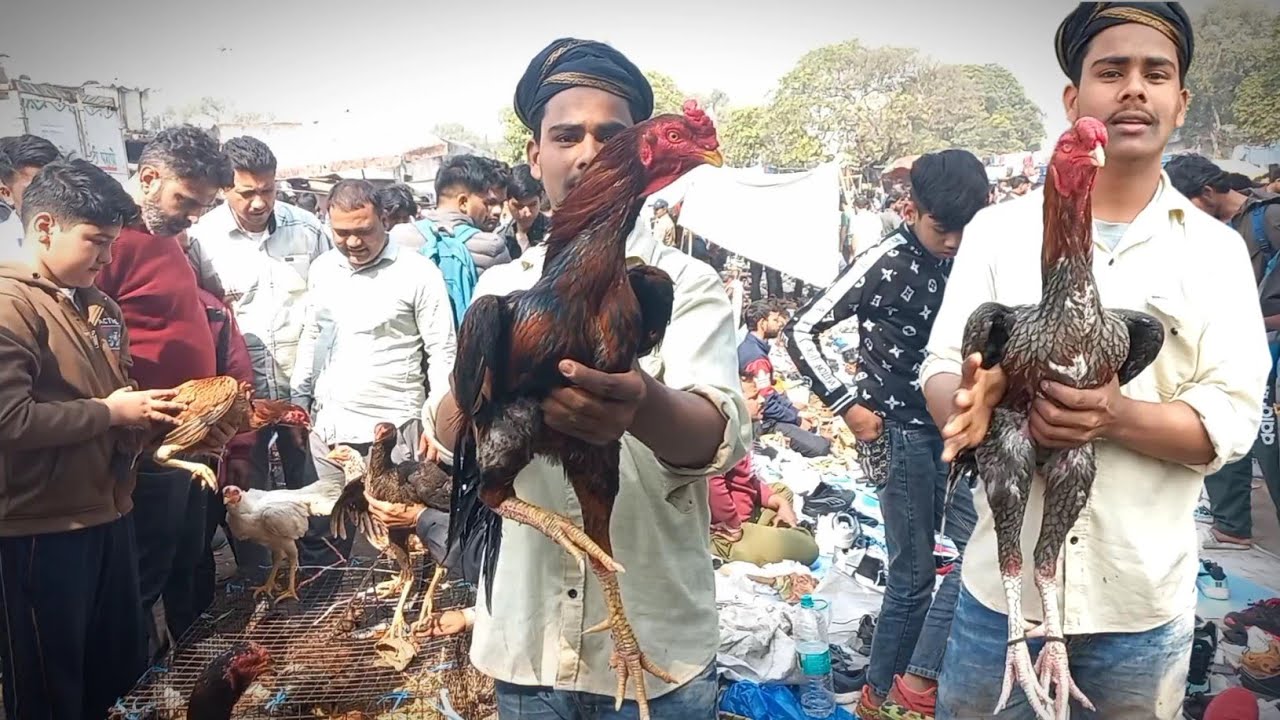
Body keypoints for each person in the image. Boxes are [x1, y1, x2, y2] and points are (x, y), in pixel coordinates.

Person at [924, 5, 1269, 717]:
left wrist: (1112, 415)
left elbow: (1230, 422)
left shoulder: (1216, 252)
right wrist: (976, 399)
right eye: (1111, 72)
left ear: (1181, 102)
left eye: (1156, 74)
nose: (1134, 89)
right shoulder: (996, 232)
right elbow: (939, 370)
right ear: (1074, 99)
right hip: (1001, 604)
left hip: (1137, 608)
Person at [426, 37, 748, 720]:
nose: (587, 151)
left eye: (610, 135)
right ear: (534, 155)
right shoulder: (499, 287)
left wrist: (638, 404)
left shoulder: (679, 283)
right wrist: (490, 363)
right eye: (566, 134)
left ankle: (621, 632)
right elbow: (448, 431)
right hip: (528, 643)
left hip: (661, 643)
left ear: (635, 150)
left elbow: (716, 437)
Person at [785, 149, 989, 719]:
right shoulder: (884, 260)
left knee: (984, 551)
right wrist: (846, 405)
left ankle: (916, 677)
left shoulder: (973, 262)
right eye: (941, 228)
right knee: (914, 572)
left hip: (960, 435)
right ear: (911, 209)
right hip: (898, 434)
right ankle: (881, 693)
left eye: (963, 230)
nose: (952, 241)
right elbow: (802, 329)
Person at [0, 160, 186, 719]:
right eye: (96, 242)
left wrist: (154, 420)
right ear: (45, 228)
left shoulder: (101, 307)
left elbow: (120, 390)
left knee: (116, 672)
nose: (107, 258)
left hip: (110, 513)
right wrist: (107, 414)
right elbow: (10, 421)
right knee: (52, 686)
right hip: (42, 529)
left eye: (112, 243)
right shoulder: (10, 306)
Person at [94, 126, 239, 656]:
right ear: (149, 177)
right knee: (142, 578)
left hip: (190, 435)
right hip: (148, 445)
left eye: (203, 205)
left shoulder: (170, 238)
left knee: (189, 562)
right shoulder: (104, 243)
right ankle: (136, 690)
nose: (193, 215)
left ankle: (191, 670)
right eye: (186, 200)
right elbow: (88, 342)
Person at [187, 135, 332, 515]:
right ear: (225, 189)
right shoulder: (202, 239)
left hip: (305, 390)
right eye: (246, 191)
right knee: (248, 497)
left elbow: (327, 308)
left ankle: (317, 565)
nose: (258, 202)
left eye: (267, 190)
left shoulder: (309, 230)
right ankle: (258, 572)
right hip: (242, 401)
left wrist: (307, 395)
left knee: (314, 492)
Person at [291, 179, 456, 462]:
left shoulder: (419, 272)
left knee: (386, 509)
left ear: (384, 220)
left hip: (393, 435)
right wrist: (298, 404)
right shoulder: (322, 269)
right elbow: (312, 336)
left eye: (364, 231)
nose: (353, 242)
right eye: (341, 233)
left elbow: (442, 351)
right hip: (326, 432)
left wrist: (436, 423)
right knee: (326, 507)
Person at [1167, 153, 1280, 550]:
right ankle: (1231, 525)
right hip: (1246, 344)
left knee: (1268, 445)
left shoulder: (1269, 220)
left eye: (1187, 204)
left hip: (1269, 345)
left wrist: (1256, 323)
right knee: (1222, 427)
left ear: (1210, 192)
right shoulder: (1222, 229)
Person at [739, 300, 830, 457]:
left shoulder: (752, 348)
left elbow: (769, 393)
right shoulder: (756, 359)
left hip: (765, 416)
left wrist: (795, 412)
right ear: (762, 323)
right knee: (821, 447)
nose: (778, 325)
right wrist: (796, 419)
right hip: (762, 423)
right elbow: (766, 403)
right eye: (774, 320)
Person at [392, 155, 511, 271]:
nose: (497, 211)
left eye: (501, 204)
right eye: (489, 202)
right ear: (463, 202)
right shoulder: (492, 248)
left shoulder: (397, 238)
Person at [709, 453, 816, 567]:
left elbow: (744, 478)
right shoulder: (717, 439)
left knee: (782, 492)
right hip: (722, 531)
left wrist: (780, 503)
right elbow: (710, 482)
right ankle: (758, 542)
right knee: (809, 548)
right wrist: (733, 527)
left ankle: (767, 537)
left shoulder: (738, 438)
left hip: (739, 515)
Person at [0, 135, 61, 262]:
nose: (50, 197)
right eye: (34, 191)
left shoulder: (91, 239)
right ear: (6, 193)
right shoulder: (4, 248)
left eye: (56, 187)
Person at [499, 163, 550, 259]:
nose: (527, 213)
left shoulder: (554, 232)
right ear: (507, 202)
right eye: (518, 206)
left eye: (532, 205)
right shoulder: (501, 238)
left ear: (541, 198)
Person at [849, 195, 884, 259]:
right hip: (875, 253)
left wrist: (852, 256)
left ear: (855, 206)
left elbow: (855, 238)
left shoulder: (855, 219)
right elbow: (881, 233)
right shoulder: (876, 217)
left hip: (860, 254)